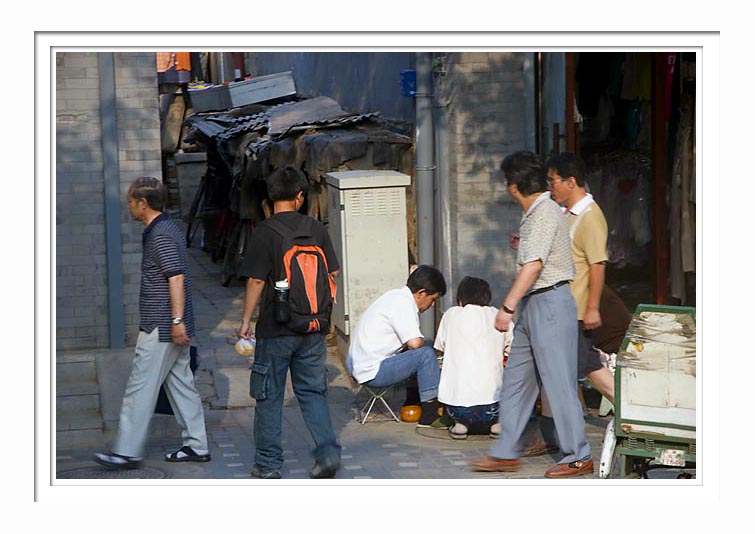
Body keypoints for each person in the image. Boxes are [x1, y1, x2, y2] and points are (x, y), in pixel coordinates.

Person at [470, 151, 592, 478]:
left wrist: (507, 307)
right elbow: (538, 255)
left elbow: (534, 266)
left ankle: (579, 455)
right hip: (536, 306)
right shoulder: (538, 213)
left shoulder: (543, 212)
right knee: (515, 380)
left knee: (559, 383)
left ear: (513, 187)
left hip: (550, 303)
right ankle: (506, 450)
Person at [94, 177, 210, 469]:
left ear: (143, 204)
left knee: (139, 388)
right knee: (182, 385)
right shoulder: (167, 227)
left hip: (162, 326)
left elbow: (176, 276)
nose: (129, 207)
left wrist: (176, 320)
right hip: (169, 325)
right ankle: (196, 446)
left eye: (131, 202)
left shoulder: (160, 234)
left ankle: (126, 451)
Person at [237, 165, 342, 480]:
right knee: (313, 393)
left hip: (274, 328)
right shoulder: (316, 229)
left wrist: (246, 321)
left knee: (269, 396)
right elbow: (332, 274)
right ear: (300, 196)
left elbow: (256, 281)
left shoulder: (264, 233)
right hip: (312, 329)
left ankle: (269, 465)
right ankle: (327, 456)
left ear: (271, 199)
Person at [521, 152, 615, 457]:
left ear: (571, 182)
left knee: (586, 368)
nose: (551, 189)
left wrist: (592, 307)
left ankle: (633, 411)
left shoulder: (590, 216)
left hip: (573, 309)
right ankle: (553, 433)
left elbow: (597, 265)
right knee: (557, 370)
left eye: (553, 182)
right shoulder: (567, 214)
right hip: (559, 308)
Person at [346, 265, 447, 428]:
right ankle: (430, 413)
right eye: (433, 299)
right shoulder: (403, 304)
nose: (432, 305)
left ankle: (412, 401)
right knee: (425, 354)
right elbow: (415, 343)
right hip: (371, 370)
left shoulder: (394, 296)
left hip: (357, 363)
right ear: (421, 293)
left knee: (420, 350)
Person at [433, 276, 512, 440]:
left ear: (460, 300)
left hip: (458, 406)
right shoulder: (498, 315)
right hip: (494, 405)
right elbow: (512, 349)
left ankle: (461, 425)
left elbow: (440, 347)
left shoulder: (450, 314)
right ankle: (496, 425)